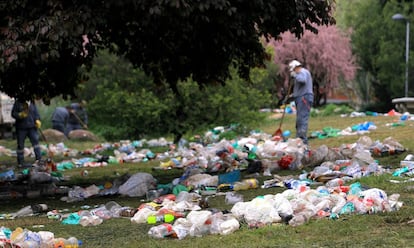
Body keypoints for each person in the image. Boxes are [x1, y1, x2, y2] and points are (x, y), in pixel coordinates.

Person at [288, 60, 313, 145]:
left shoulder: (302, 72)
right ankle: (299, 140)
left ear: (296, 68)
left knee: (302, 120)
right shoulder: (301, 73)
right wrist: (294, 94)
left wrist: (294, 75)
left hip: (304, 98)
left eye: (294, 70)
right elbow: (301, 86)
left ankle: (302, 142)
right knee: (299, 120)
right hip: (301, 97)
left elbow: (303, 80)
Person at [11, 98, 42, 166]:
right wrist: (19, 115)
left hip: (32, 127)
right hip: (21, 128)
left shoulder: (32, 102)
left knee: (36, 143)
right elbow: (13, 113)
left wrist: (37, 119)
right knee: (20, 145)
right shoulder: (18, 103)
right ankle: (20, 162)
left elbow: (36, 113)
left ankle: (39, 159)